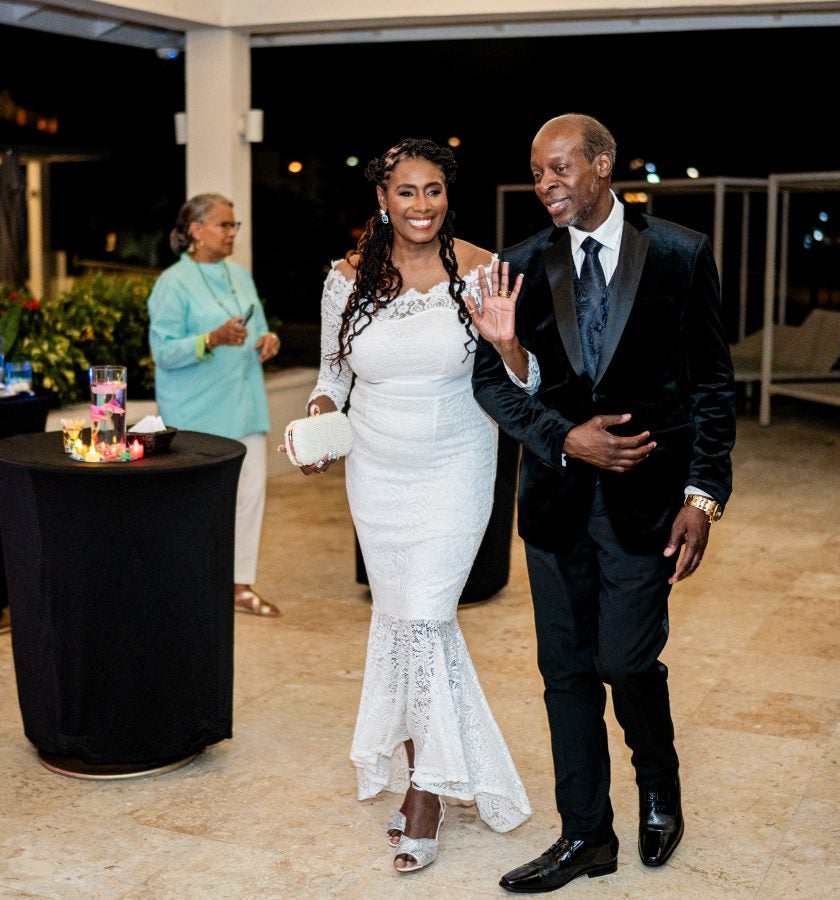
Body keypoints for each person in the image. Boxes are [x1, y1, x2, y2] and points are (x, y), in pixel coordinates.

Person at [470, 113, 737, 893]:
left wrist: (704, 495)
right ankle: (586, 834)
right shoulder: (519, 265)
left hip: (650, 504)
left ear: (602, 165)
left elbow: (714, 385)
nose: (546, 185)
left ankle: (659, 781)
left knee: (624, 660)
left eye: (560, 169)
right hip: (554, 504)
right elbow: (495, 383)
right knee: (566, 672)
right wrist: (563, 438)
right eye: (537, 172)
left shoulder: (681, 253)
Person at [295, 138, 531, 874]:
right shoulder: (345, 279)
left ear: (446, 197)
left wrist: (509, 340)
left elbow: (526, 383)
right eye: (406, 191)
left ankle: (426, 793)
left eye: (432, 191)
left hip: (456, 466)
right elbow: (335, 371)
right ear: (382, 199)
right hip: (376, 470)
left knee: (425, 617)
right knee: (400, 622)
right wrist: (317, 417)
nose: (420, 205)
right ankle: (427, 774)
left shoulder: (486, 269)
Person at [147, 192, 282, 618]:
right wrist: (211, 339)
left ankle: (239, 586)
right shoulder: (172, 283)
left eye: (234, 225)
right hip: (196, 412)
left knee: (249, 496)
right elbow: (163, 352)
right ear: (195, 231)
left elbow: (258, 327)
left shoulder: (239, 276)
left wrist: (267, 340)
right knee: (197, 506)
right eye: (224, 225)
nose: (231, 233)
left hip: (244, 404)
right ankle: (190, 587)